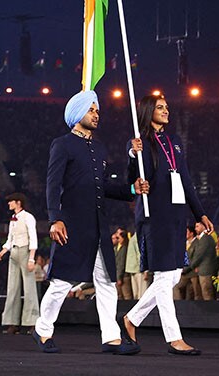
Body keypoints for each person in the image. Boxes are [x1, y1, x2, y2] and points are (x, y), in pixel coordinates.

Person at [33, 90, 146, 355]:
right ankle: (43, 330)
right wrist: (55, 219)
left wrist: (132, 190)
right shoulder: (62, 144)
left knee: (106, 282)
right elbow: (53, 184)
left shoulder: (98, 147)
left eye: (97, 110)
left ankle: (111, 338)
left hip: (98, 225)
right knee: (62, 282)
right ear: (77, 113)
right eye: (91, 110)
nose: (97, 114)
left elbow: (104, 186)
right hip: (71, 225)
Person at [123, 95, 213, 356]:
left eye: (166, 106)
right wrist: (132, 154)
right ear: (149, 110)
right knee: (164, 276)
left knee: (173, 275)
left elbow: (185, 179)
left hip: (176, 214)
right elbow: (133, 179)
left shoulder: (174, 142)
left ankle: (132, 319)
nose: (166, 110)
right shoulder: (138, 143)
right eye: (160, 107)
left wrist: (200, 214)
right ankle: (174, 337)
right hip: (154, 214)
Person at [0, 192, 39, 334]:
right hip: (14, 253)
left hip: (25, 251)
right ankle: (12, 322)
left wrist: (32, 258)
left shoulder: (28, 217)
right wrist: (3, 251)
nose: (9, 204)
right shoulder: (13, 220)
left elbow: (33, 238)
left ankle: (32, 323)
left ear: (18, 202)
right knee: (12, 288)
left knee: (29, 288)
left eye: (11, 201)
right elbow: (10, 239)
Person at [191, 220, 218, 300]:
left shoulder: (205, 239)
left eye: (197, 226)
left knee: (207, 294)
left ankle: (210, 312)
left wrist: (189, 268)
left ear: (204, 226)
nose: (195, 229)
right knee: (205, 294)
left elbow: (199, 255)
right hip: (204, 270)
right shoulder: (204, 238)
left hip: (206, 271)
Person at [113, 228, 132, 300]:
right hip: (117, 276)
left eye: (118, 237)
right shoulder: (117, 248)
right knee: (119, 296)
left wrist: (119, 278)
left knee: (127, 296)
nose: (117, 239)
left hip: (123, 277)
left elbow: (121, 264)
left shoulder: (124, 248)